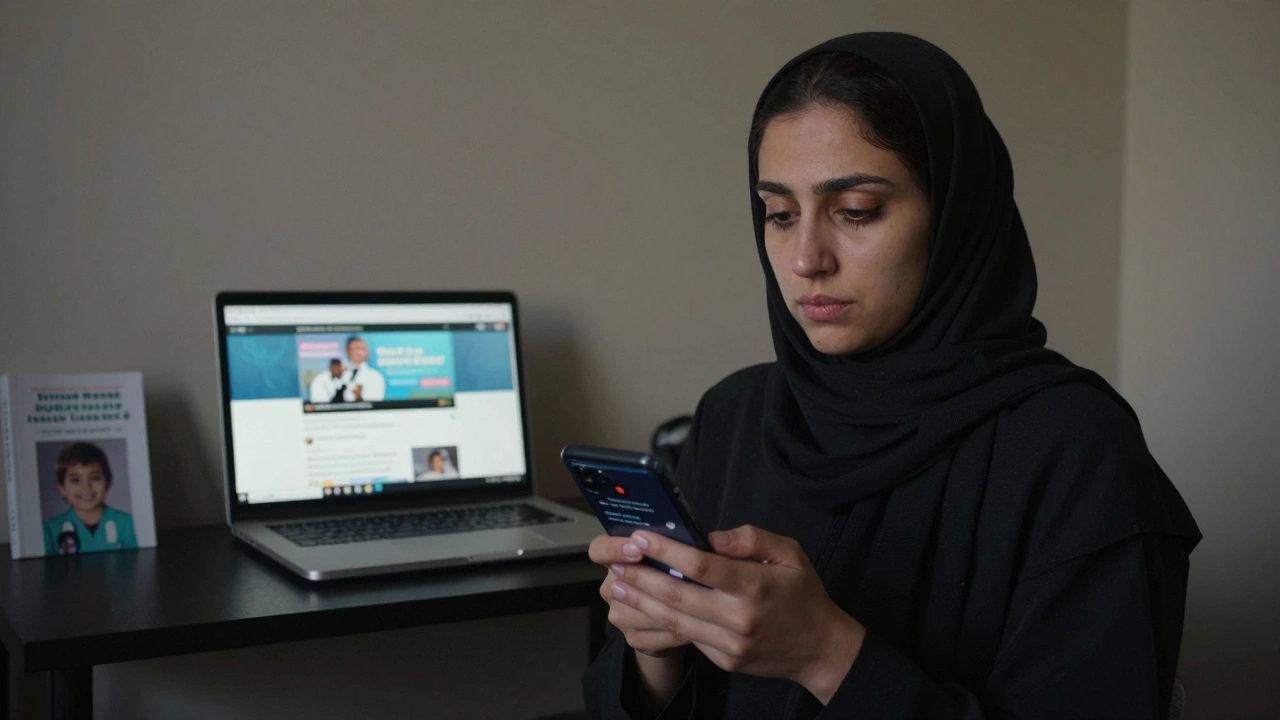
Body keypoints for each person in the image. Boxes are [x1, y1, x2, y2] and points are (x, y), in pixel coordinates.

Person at [583, 33, 1200, 719]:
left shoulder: (1076, 451)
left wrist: (827, 654)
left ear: (957, 216)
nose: (806, 257)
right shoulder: (735, 416)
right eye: (780, 215)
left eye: (856, 212)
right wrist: (655, 653)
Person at [43, 441, 138, 555]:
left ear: (108, 482)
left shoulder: (127, 524)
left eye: (95, 478)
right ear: (62, 488)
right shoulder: (50, 530)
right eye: (75, 480)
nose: (86, 488)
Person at [341, 336, 386, 402]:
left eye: (362, 349)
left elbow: (374, 403)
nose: (359, 352)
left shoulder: (375, 376)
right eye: (355, 348)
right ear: (347, 351)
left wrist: (358, 396)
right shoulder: (339, 373)